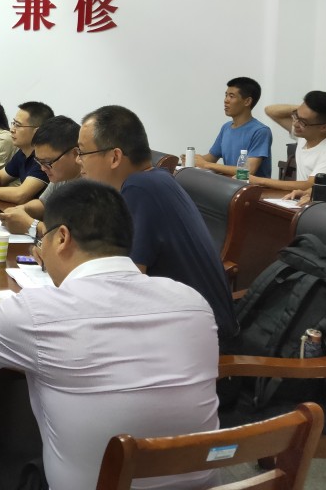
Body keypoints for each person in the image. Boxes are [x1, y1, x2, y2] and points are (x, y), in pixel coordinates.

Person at [0, 180, 220, 490]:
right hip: (205, 485)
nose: (39, 251)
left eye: (41, 239)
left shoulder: (40, 314)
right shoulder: (193, 303)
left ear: (62, 238)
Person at [77, 105, 238, 351]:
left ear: (115, 157)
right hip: (187, 329)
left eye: (83, 152)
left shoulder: (140, 189)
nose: (78, 160)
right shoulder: (154, 180)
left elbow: (126, 282)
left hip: (198, 345)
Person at [252, 91, 326, 192]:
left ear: (323, 127)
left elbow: (311, 185)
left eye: (303, 121)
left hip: (320, 201)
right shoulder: (305, 135)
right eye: (296, 116)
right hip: (300, 198)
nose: (295, 124)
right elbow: (270, 110)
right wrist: (305, 108)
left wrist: (260, 181)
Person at [0, 115, 81, 235]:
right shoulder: (62, 175)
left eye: (47, 162)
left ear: (75, 154)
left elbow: (74, 236)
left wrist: (31, 226)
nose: (42, 168)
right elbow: (43, 204)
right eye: (39, 162)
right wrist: (23, 209)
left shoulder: (91, 182)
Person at [188, 76, 273, 178]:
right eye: (226, 95)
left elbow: (248, 170)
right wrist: (193, 159)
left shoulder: (260, 131)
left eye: (231, 96)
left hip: (252, 186)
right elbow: (211, 158)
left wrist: (206, 164)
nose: (226, 100)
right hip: (230, 183)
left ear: (247, 101)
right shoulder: (226, 127)